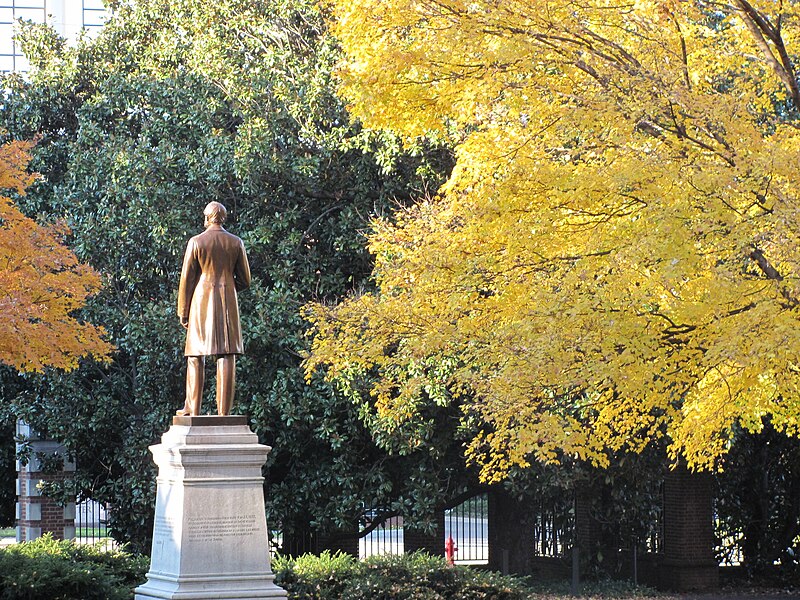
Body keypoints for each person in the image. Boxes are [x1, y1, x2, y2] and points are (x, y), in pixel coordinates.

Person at [176, 201, 251, 416]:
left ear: (207, 217)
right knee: (227, 355)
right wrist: (229, 288)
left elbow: (186, 280)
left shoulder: (197, 242)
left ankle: (192, 409)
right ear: (223, 218)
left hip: (201, 302)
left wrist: (183, 310)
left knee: (195, 355)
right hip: (228, 301)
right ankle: (224, 413)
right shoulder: (236, 243)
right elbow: (246, 280)